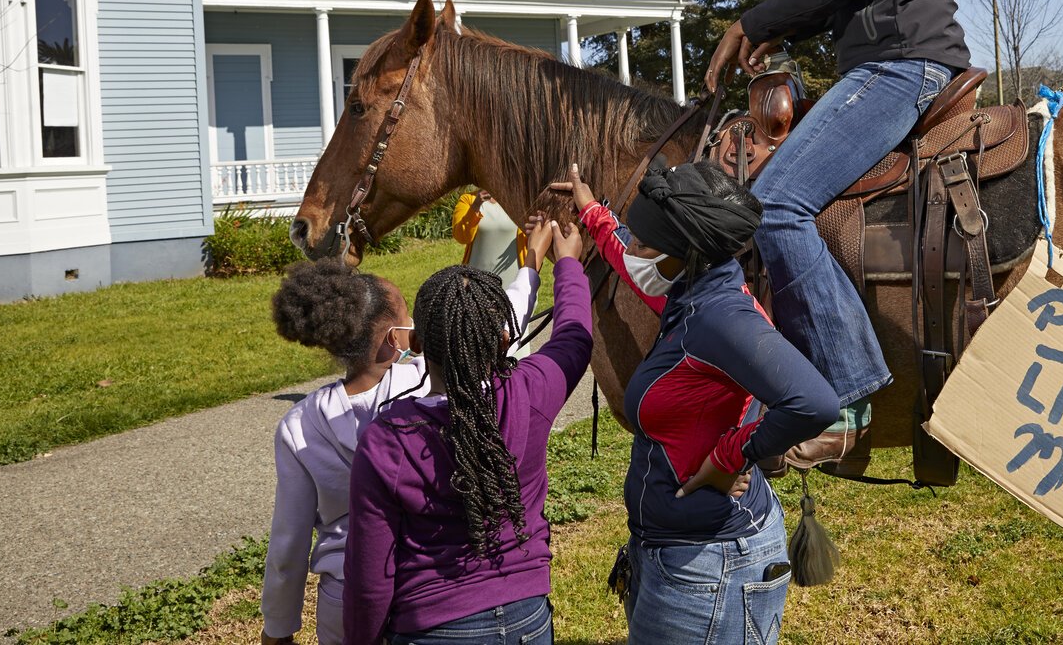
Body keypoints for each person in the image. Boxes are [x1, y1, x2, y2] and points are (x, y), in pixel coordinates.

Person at [704, 0, 972, 470]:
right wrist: (775, 32)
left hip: (902, 68)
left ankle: (847, 398)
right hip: (880, 63)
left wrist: (753, 21)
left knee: (777, 203)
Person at [562, 158, 838, 645]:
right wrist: (593, 212)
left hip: (711, 571)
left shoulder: (720, 319)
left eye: (648, 243)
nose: (637, 250)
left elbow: (814, 402)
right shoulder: (689, 294)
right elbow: (631, 261)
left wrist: (728, 457)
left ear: (683, 254)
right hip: (681, 558)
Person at [260, 217, 553, 645]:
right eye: (408, 319)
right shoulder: (418, 387)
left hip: (344, 600)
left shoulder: (299, 426)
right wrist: (532, 265)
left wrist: (278, 629)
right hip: (416, 585)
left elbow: (288, 545)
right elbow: (495, 324)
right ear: (396, 340)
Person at [343, 220, 592, 645]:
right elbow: (574, 337)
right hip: (528, 617)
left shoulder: (388, 438)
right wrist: (567, 264)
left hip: (433, 625)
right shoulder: (530, 393)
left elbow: (370, 576)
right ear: (503, 340)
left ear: (418, 343)